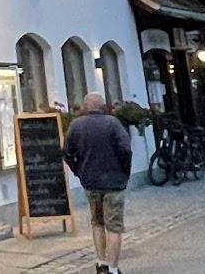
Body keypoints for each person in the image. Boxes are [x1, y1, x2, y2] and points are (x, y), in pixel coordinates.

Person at [63, 92, 132, 274]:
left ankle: (101, 263)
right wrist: (124, 171)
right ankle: (113, 268)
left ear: (86, 106)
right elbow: (126, 149)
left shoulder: (76, 125)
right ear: (103, 106)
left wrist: (78, 171)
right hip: (114, 182)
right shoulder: (113, 123)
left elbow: (67, 153)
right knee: (114, 225)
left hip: (91, 182)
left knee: (97, 222)